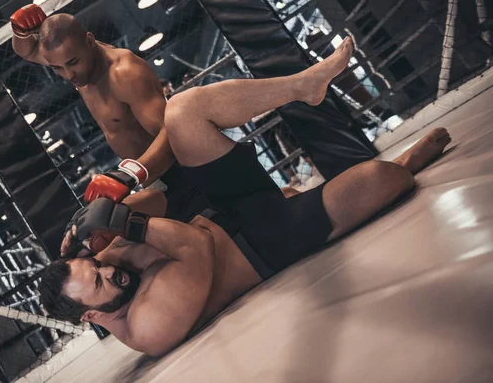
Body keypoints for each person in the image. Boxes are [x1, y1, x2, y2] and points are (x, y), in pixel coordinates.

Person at [38, 37, 452, 357]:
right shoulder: (149, 328)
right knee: (385, 179)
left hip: (210, 203)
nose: (107, 271)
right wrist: (123, 223)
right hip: (265, 241)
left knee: (181, 111)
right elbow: (193, 246)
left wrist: (104, 215)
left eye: (95, 267)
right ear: (91, 315)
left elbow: (159, 208)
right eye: (98, 282)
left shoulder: (106, 267)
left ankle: (303, 85)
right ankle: (404, 160)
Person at [10, 4, 207, 222]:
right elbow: (26, 51)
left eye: (72, 63)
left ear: (90, 41)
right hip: (153, 178)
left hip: (183, 171)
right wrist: (20, 32)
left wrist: (129, 175)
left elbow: (171, 132)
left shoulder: (123, 73)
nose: (68, 75)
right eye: (57, 68)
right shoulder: (70, 60)